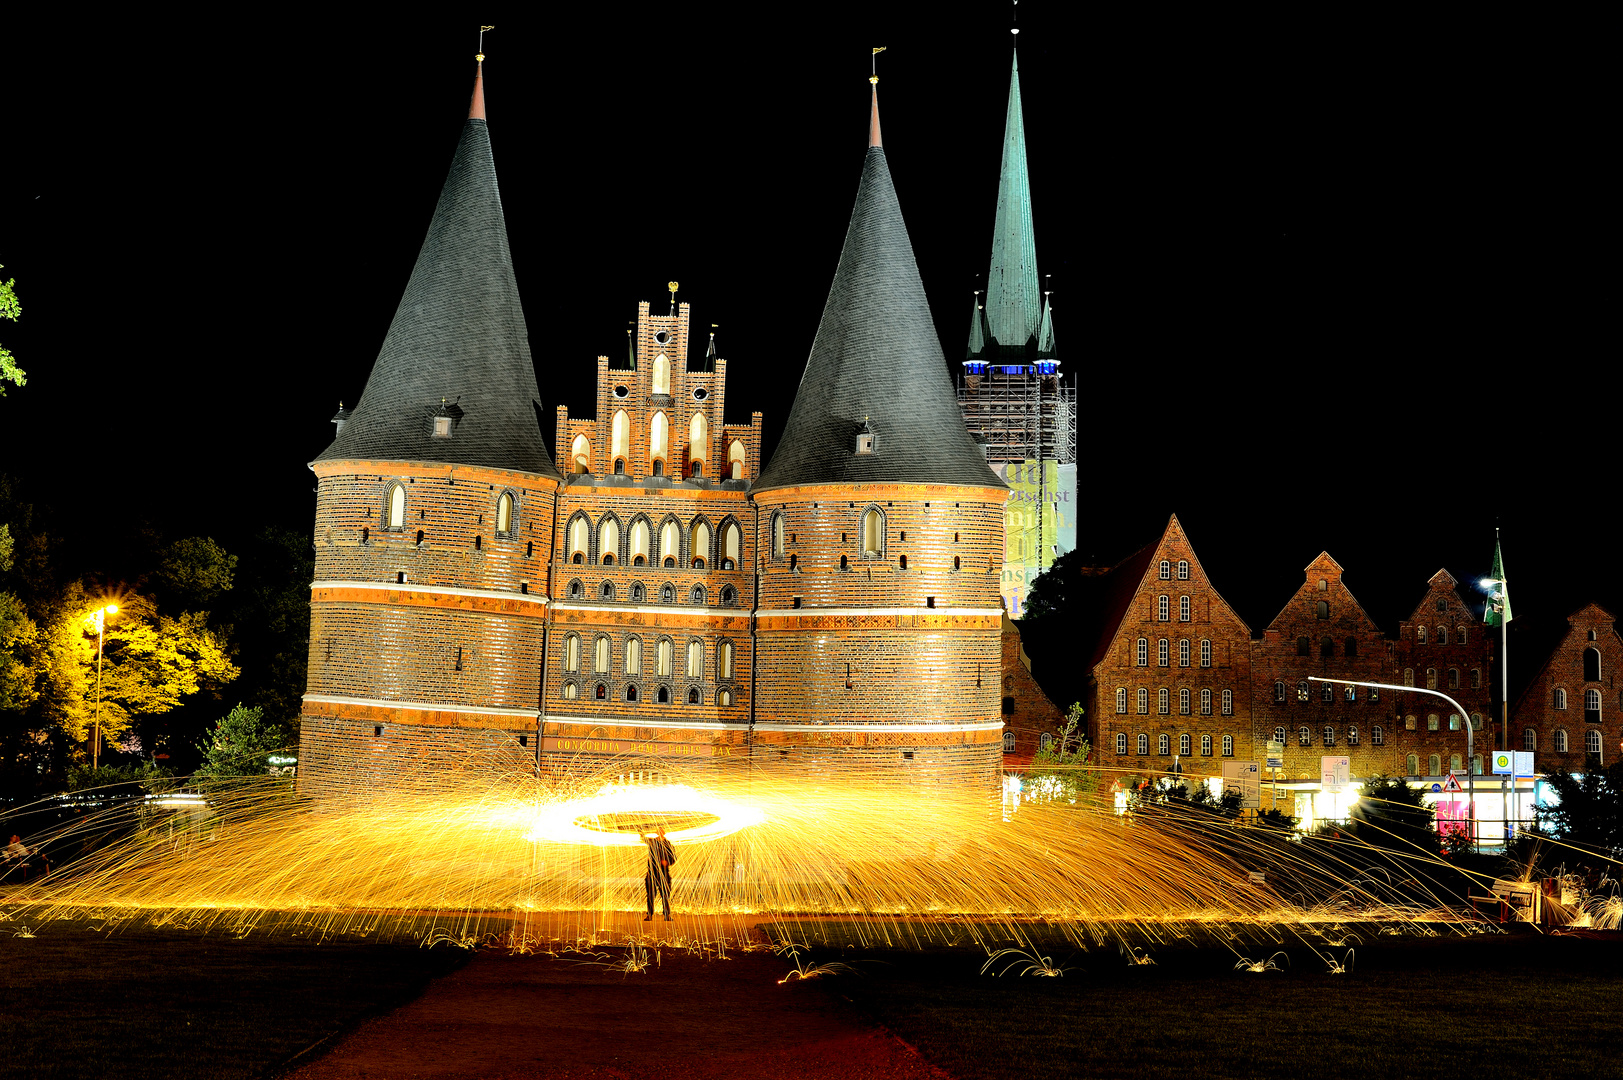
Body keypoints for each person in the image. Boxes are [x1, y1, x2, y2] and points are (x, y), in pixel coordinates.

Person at [643, 823, 676, 921]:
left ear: (664, 833)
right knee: (650, 895)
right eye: (658, 831)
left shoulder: (668, 845)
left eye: (661, 831)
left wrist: (667, 862)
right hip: (652, 873)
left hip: (664, 873)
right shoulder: (652, 842)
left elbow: (673, 858)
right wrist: (641, 828)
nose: (660, 832)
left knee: (665, 895)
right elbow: (642, 837)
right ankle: (649, 915)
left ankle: (667, 915)